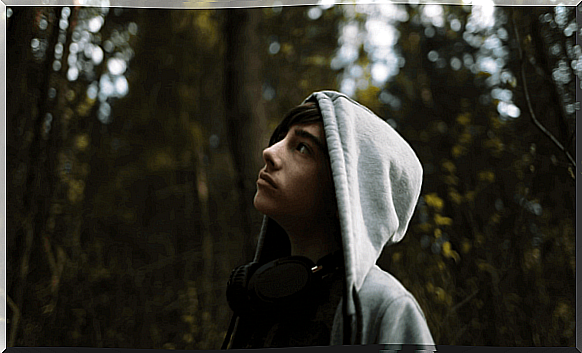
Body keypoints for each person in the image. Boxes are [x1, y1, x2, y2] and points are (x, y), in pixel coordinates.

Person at [222, 91, 435, 348]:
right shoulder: (263, 295)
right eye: (280, 138)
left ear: (347, 190)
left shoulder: (385, 307)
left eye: (302, 147)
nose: (269, 152)